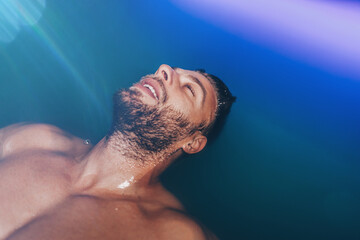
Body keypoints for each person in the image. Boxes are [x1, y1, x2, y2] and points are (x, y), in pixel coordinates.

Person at [0, 64, 236, 240]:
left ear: (193, 142)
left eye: (188, 89)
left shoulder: (175, 233)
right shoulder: (29, 139)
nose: (164, 69)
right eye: (171, 69)